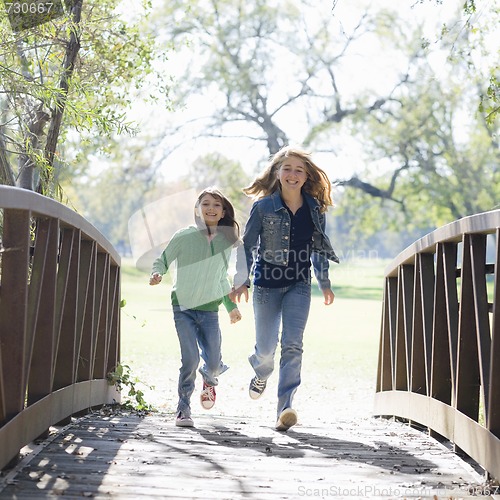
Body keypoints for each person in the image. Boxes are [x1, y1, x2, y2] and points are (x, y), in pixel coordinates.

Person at [230, 145, 339, 432]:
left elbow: (318, 248)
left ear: (306, 177)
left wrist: (324, 282)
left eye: (299, 170)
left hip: (299, 285)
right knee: (266, 350)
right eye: (287, 168)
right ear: (277, 173)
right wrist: (242, 280)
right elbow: (248, 245)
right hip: (266, 285)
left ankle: (285, 408)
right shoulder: (263, 206)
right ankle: (261, 372)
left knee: (292, 345)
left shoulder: (315, 208)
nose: (293, 174)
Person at [150, 187, 242, 428]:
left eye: (216, 205)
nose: (211, 208)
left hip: (210, 311)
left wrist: (231, 306)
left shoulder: (225, 241)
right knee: (190, 359)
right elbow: (163, 259)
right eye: (206, 204)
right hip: (184, 308)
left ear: (223, 213)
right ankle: (183, 409)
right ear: (197, 209)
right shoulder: (184, 235)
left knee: (213, 362)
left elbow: (222, 278)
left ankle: (210, 380)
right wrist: (157, 272)